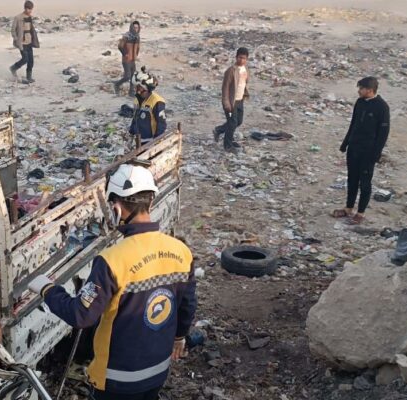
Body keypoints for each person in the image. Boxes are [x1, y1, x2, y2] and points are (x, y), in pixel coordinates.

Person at [29, 164, 197, 400]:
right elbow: (187, 305)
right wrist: (179, 337)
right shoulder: (181, 251)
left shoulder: (111, 261)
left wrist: (47, 289)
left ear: (116, 207)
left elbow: (81, 315)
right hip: (158, 370)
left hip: (117, 380)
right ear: (150, 201)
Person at [333, 76, 390, 225]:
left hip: (368, 151)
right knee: (352, 179)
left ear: (370, 90)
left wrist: (376, 154)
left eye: (361, 88)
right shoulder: (359, 103)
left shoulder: (382, 107)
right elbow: (353, 124)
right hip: (354, 148)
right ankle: (348, 208)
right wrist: (345, 143)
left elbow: (383, 134)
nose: (359, 91)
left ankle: (360, 212)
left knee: (365, 182)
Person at [214, 47, 251, 153]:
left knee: (238, 121)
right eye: (240, 57)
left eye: (244, 58)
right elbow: (225, 88)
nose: (241, 60)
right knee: (232, 122)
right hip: (231, 102)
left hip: (240, 101)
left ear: (247, 59)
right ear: (236, 57)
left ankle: (218, 130)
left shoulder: (245, 69)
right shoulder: (231, 71)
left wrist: (245, 95)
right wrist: (226, 103)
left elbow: (244, 83)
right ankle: (228, 145)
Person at [129, 67, 167, 146]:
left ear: (146, 88)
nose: (137, 90)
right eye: (136, 87)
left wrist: (156, 141)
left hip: (151, 141)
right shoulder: (137, 100)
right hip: (139, 140)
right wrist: (131, 132)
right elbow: (135, 117)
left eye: (139, 87)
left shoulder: (157, 101)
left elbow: (161, 124)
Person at [9, 1, 39, 84]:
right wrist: (16, 39)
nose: (29, 10)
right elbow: (13, 30)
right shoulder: (18, 17)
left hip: (29, 42)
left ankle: (29, 77)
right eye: (28, 9)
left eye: (31, 9)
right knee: (25, 59)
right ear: (25, 8)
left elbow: (31, 30)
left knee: (31, 61)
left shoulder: (30, 17)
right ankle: (13, 68)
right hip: (22, 43)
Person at [113, 21, 141, 96]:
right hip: (126, 60)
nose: (136, 29)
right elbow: (120, 46)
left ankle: (131, 92)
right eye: (134, 27)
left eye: (137, 27)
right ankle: (117, 84)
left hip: (133, 60)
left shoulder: (137, 37)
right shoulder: (126, 36)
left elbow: (138, 48)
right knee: (127, 76)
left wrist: (136, 55)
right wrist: (125, 54)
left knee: (133, 77)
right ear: (131, 27)